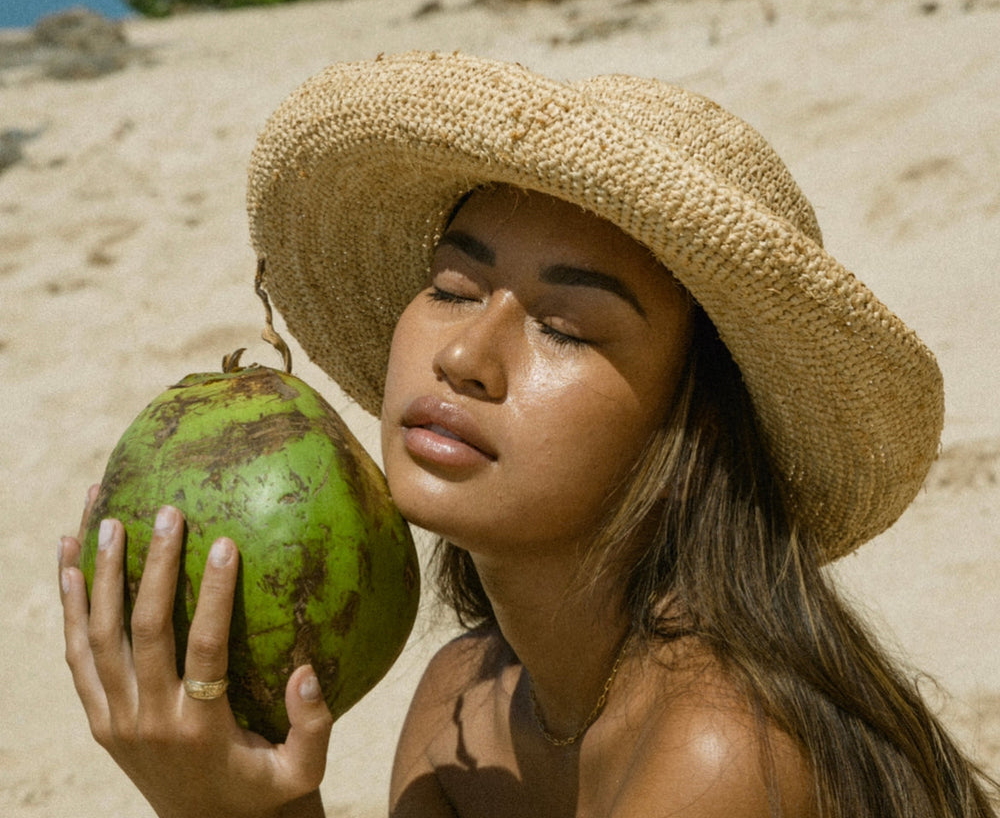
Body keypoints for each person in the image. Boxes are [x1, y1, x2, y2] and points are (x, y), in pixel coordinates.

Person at [59, 51, 998, 817]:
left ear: (691, 434)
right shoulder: (457, 703)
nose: (465, 351)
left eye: (566, 327)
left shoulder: (722, 751)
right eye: (451, 289)